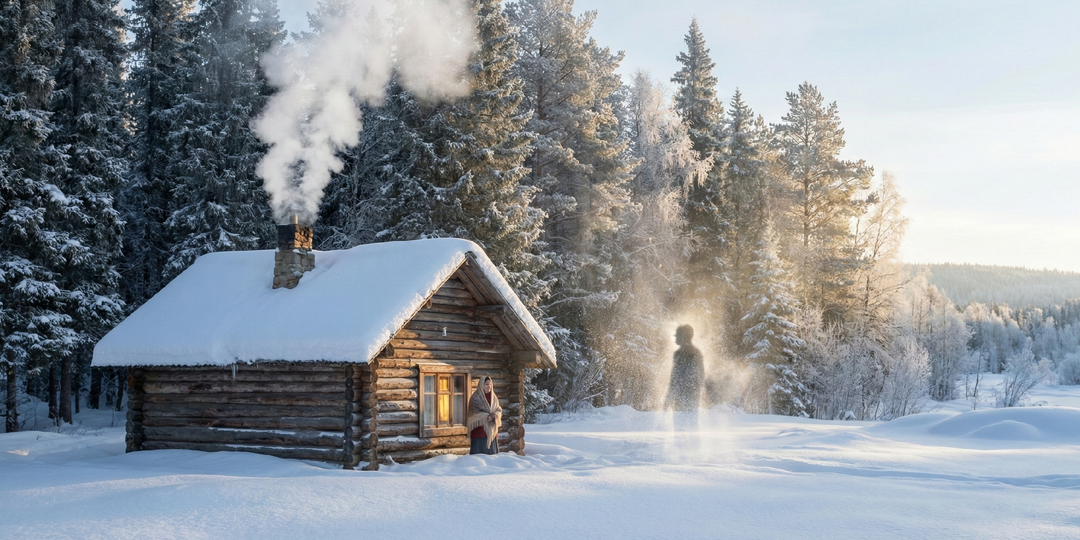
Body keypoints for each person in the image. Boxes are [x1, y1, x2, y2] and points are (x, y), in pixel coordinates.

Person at [665, 324, 704, 411]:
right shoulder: (697, 353)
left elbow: (675, 379)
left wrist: (668, 399)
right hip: (693, 399)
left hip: (681, 398)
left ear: (683, 337)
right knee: (691, 422)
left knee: (680, 422)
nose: (675, 340)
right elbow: (701, 377)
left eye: (677, 336)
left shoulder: (679, 354)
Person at [467, 376, 502, 455]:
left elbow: (498, 409)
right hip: (479, 433)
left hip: (492, 432)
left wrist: (495, 415)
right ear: (481, 385)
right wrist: (485, 416)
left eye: (490, 384)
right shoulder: (475, 397)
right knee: (479, 458)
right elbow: (473, 413)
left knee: (492, 457)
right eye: (486, 384)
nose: (488, 386)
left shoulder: (494, 397)